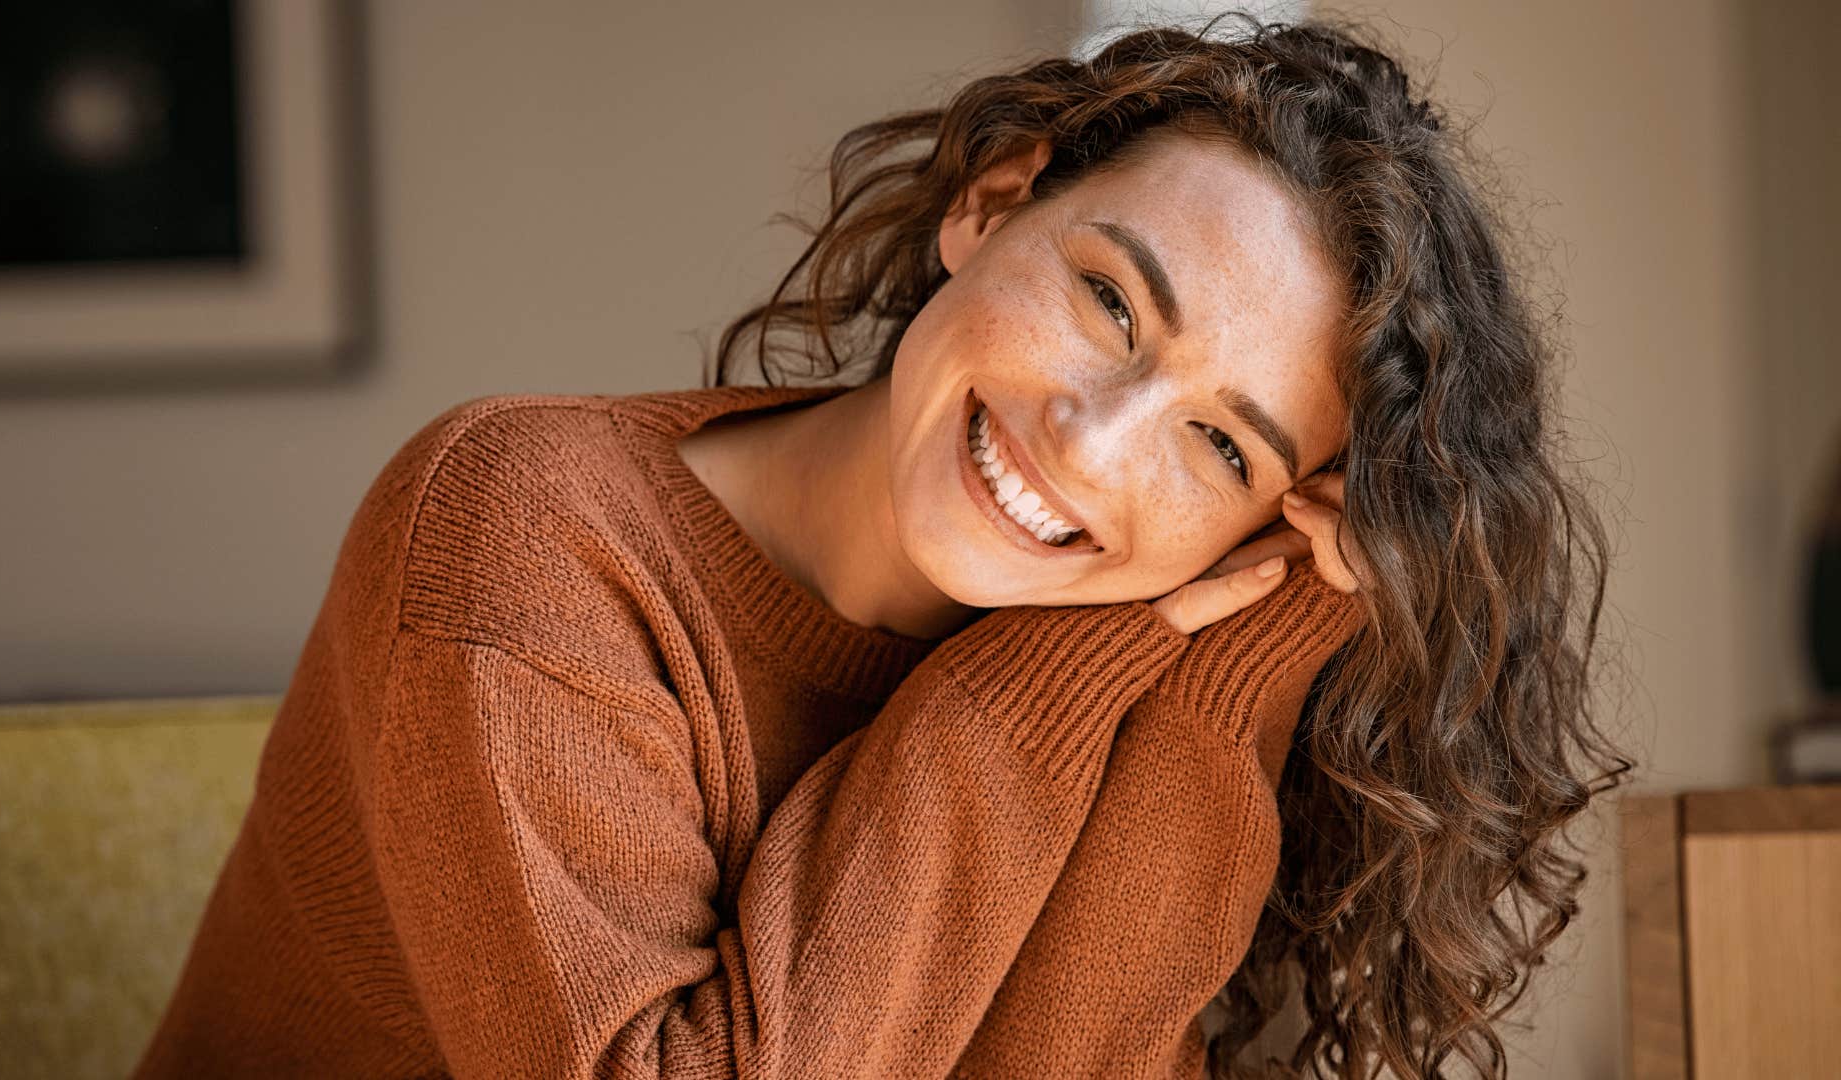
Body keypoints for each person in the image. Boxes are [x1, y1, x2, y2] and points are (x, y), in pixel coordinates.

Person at [135, 12, 1630, 1079]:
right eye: (1112, 304)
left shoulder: (1146, 656)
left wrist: (1235, 659)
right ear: (990, 208)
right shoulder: (522, 531)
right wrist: (1018, 696)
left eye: (1223, 446)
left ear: (1273, 523)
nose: (1093, 440)